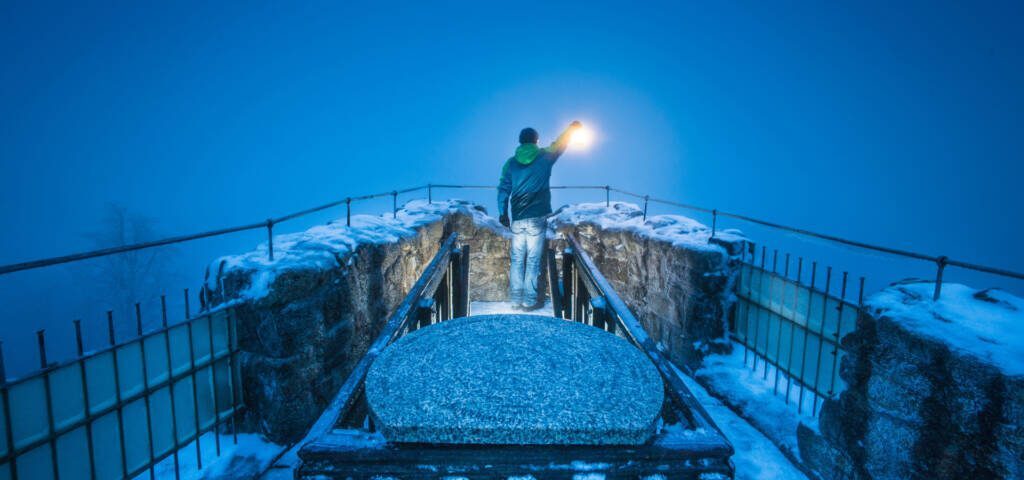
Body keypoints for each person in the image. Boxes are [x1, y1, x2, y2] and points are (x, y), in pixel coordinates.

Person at [498, 121, 582, 310]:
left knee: (517, 259)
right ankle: (529, 301)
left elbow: (503, 189)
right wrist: (572, 129)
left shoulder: (510, 164)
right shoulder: (544, 156)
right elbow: (560, 144)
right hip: (537, 217)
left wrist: (503, 213)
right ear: (536, 141)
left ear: (520, 142)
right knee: (533, 260)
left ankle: (515, 300)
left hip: (518, 218)